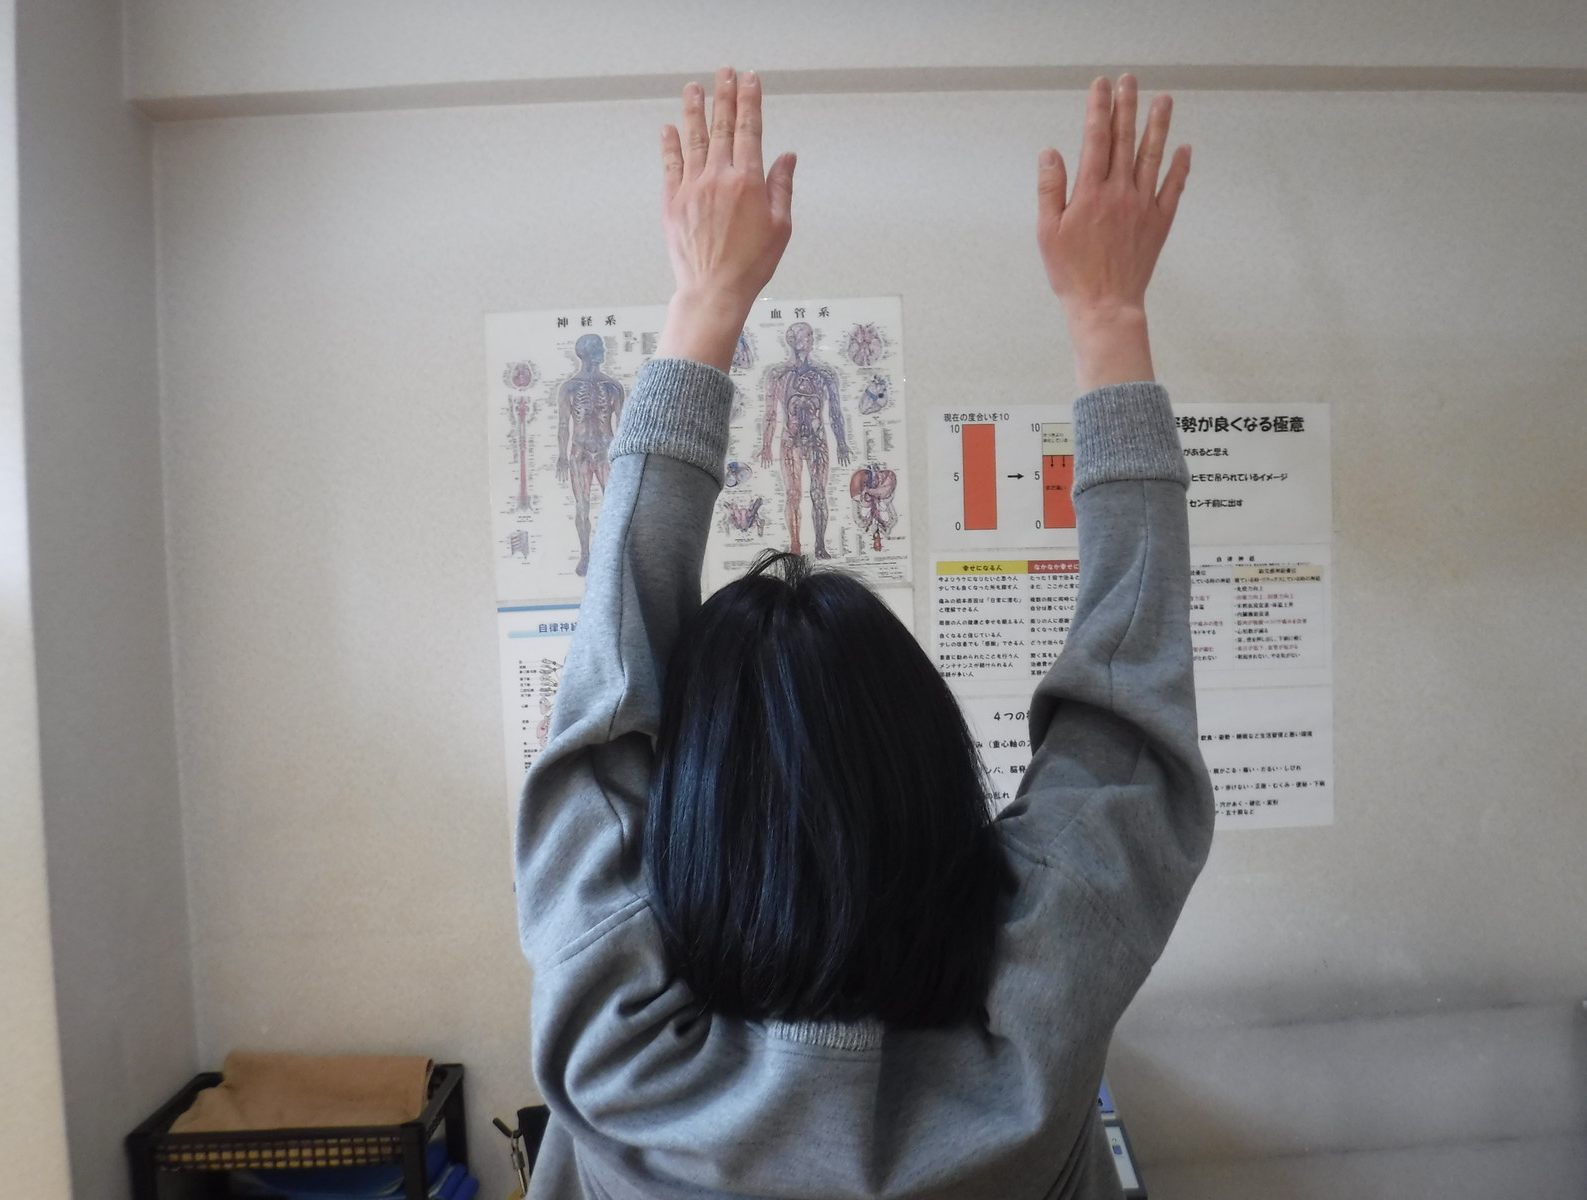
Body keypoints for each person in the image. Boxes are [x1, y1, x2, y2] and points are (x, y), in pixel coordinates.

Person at [514, 67, 1211, 1199]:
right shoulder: (1028, 1060)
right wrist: (1109, 316)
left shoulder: (617, 1065)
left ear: (685, 806)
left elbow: (605, 696)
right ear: (933, 782)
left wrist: (705, 301)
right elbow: (1128, 713)